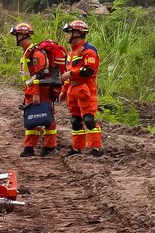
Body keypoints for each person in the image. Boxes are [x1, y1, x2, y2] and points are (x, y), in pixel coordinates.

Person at [9, 23, 59, 157]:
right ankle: (29, 147)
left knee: (47, 118)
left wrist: (36, 93)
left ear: (23, 35)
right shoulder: (27, 53)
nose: (16, 38)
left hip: (41, 91)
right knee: (31, 119)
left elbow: (40, 74)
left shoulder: (36, 54)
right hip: (30, 90)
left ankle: (50, 147)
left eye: (17, 35)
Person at [60, 19, 101, 156]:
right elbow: (68, 75)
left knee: (89, 120)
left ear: (77, 33)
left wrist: (71, 74)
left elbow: (89, 70)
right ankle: (76, 148)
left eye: (69, 32)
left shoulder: (89, 50)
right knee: (75, 121)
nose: (67, 35)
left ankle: (95, 148)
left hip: (85, 89)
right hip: (72, 90)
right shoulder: (71, 52)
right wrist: (64, 91)